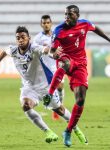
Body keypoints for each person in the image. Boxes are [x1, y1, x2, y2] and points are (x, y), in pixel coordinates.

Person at [0, 26, 87, 144]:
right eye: (18, 38)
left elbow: (46, 50)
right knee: (25, 105)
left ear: (29, 38)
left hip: (46, 86)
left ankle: (76, 128)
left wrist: (54, 53)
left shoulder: (34, 48)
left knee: (60, 110)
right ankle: (48, 132)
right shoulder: (13, 50)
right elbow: (4, 51)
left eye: (23, 37)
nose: (20, 40)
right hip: (29, 87)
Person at [43, 5, 110, 147]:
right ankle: (50, 94)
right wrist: (53, 53)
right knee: (65, 63)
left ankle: (67, 131)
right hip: (65, 58)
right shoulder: (59, 30)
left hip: (80, 64)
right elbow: (53, 51)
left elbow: (95, 28)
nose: (66, 17)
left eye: (70, 14)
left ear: (77, 15)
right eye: (65, 14)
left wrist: (108, 39)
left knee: (80, 100)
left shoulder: (84, 24)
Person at [33, 15, 65, 120]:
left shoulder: (57, 35)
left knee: (60, 87)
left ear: (51, 23)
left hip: (57, 64)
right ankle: (55, 108)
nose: (46, 25)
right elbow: (34, 51)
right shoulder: (38, 38)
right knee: (50, 89)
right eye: (44, 23)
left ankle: (60, 106)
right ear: (41, 24)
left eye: (48, 23)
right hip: (46, 67)